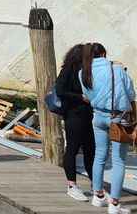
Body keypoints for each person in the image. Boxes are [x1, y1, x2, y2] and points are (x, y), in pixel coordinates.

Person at [80, 42, 135, 213]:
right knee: (119, 160)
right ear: (104, 54)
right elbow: (131, 93)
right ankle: (115, 204)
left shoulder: (83, 72)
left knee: (100, 155)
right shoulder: (117, 70)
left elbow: (87, 97)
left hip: (98, 116)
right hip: (117, 119)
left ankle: (98, 196)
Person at [56, 44, 94, 201]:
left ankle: (95, 185)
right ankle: (72, 185)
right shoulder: (68, 70)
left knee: (91, 149)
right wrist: (80, 98)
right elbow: (60, 91)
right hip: (73, 114)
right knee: (72, 148)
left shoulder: (86, 71)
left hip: (87, 115)